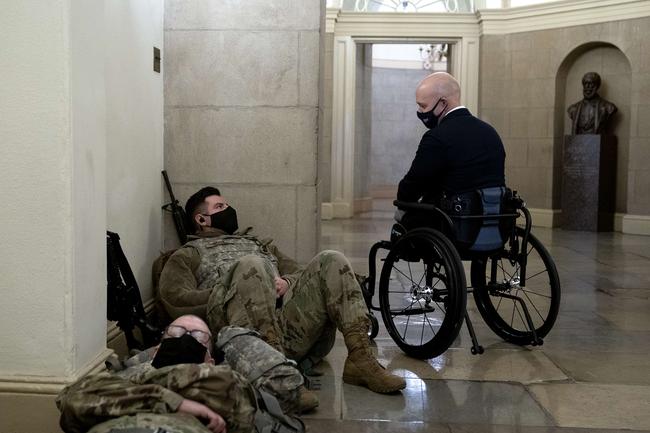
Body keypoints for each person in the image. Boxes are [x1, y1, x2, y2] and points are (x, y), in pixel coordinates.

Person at [157, 187, 406, 401]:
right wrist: (232, 288)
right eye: (220, 206)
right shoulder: (189, 254)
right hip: (242, 338)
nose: (229, 209)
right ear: (201, 219)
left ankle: (360, 358)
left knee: (332, 259)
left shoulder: (259, 244)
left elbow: (300, 271)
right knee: (251, 266)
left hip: (287, 329)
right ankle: (274, 375)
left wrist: (286, 282)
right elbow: (175, 299)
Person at [56, 315, 257, 433]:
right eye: (176, 331)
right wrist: (175, 402)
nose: (186, 337)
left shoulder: (224, 380)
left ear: (210, 361)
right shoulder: (124, 375)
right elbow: (71, 400)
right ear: (157, 350)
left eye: (198, 336)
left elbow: (242, 412)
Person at [396, 72, 506, 228]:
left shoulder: (437, 137)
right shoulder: (491, 132)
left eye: (423, 106)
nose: (420, 112)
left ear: (442, 103)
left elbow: (413, 184)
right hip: (496, 223)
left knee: (402, 221)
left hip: (455, 224)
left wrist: (402, 202)